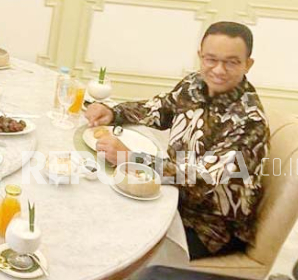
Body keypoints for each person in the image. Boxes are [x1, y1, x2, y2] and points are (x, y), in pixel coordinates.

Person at [85, 21, 269, 260]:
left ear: (248, 64)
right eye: (211, 59)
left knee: (115, 252)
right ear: (200, 56)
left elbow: (205, 180)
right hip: (170, 195)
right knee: (95, 210)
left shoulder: (249, 121)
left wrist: (133, 159)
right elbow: (161, 108)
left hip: (207, 227)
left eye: (231, 62)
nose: (219, 70)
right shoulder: (195, 84)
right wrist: (114, 112)